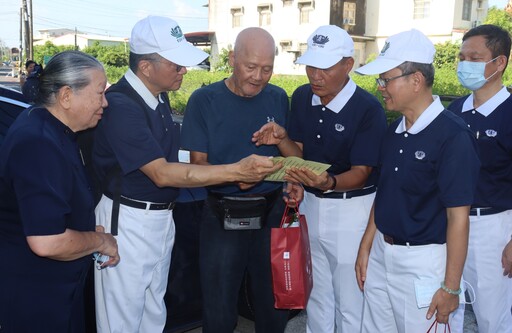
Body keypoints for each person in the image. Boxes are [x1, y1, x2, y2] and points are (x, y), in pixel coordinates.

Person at [92, 16, 282, 333]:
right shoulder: (122, 105)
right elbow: (162, 173)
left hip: (159, 218)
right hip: (127, 221)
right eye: (176, 64)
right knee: (122, 317)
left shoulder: (157, 97)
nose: (184, 70)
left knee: (153, 311)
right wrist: (236, 170)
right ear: (146, 67)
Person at [252, 25, 387, 332]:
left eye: (324, 68)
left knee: (351, 298)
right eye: (311, 65)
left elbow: (362, 171)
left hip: (352, 210)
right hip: (310, 205)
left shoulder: (368, 109)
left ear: (348, 65)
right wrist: (283, 139)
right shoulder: (302, 97)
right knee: (315, 292)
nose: (315, 75)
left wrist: (330, 183)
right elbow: (297, 155)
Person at [354, 29, 480, 332]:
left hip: (425, 265)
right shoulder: (395, 129)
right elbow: (385, 192)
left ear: (416, 79)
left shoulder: (452, 136)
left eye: (386, 79)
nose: (380, 87)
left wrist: (450, 288)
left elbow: (458, 218)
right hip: (384, 256)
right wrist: (366, 246)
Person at [180, 27, 301, 333]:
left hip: (272, 210)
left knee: (273, 301)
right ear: (232, 58)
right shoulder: (204, 100)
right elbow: (198, 166)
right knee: (219, 305)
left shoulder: (277, 97)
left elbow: (292, 158)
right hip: (223, 212)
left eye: (267, 69)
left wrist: (283, 141)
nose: (259, 77)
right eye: (250, 67)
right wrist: (238, 178)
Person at [0, 50, 119, 332]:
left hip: (54, 290)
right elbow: (47, 242)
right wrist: (101, 242)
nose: (105, 103)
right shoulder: (38, 143)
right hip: (36, 297)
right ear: (66, 96)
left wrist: (87, 228)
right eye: (99, 93)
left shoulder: (53, 129)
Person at [447, 24, 512, 333]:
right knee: (448, 309)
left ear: (499, 63)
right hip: (451, 223)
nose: (464, 63)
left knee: (492, 318)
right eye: (462, 56)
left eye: (474, 57)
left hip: (494, 229)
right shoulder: (455, 110)